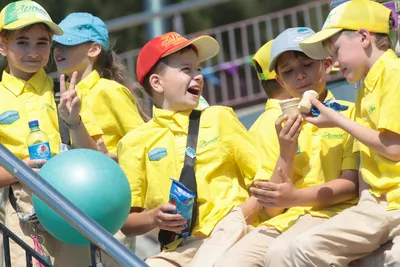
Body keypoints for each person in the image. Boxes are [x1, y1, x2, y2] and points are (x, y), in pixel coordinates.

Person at [214, 27, 359, 267]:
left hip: (332, 213)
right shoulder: (274, 125)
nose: (300, 76)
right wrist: (286, 151)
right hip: (283, 222)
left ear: (327, 64)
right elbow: (273, 210)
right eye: (289, 72)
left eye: (307, 65)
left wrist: (295, 196)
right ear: (280, 81)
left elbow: (350, 186)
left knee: (282, 254)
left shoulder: (349, 113)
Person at [117, 31, 263, 267]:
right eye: (187, 70)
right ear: (157, 82)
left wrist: (239, 217)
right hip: (178, 249)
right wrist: (154, 217)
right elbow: (128, 223)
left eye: (199, 69)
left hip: (234, 235)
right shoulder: (134, 142)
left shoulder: (220, 117)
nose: (198, 76)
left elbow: (262, 178)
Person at [289, 1, 400, 266]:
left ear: (363, 37)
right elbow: (369, 158)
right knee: (303, 248)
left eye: (336, 51)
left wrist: (337, 120)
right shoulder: (366, 84)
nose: (335, 63)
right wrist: (364, 200)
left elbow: (394, 149)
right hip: (376, 205)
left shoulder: (394, 74)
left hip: (393, 205)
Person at [0, 1, 103, 266]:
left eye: (42, 43)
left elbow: (94, 159)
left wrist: (74, 121)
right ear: (2, 46)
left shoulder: (67, 88)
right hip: (23, 208)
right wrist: (18, 170)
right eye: (22, 42)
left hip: (75, 202)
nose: (33, 52)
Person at [53, 12, 148, 162]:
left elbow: (145, 144)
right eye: (56, 44)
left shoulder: (109, 90)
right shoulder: (56, 96)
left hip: (114, 180)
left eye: (68, 43)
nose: (58, 49)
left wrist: (112, 157)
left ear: (93, 49)